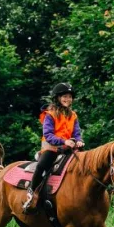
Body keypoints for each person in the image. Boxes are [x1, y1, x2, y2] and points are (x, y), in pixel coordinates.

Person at [22, 82, 84, 213]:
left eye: (70, 97)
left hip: (69, 149)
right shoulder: (49, 114)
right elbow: (48, 134)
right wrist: (64, 141)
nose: (68, 99)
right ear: (57, 98)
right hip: (52, 149)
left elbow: (76, 133)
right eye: (64, 97)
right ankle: (31, 193)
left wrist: (78, 141)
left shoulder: (73, 115)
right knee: (41, 166)